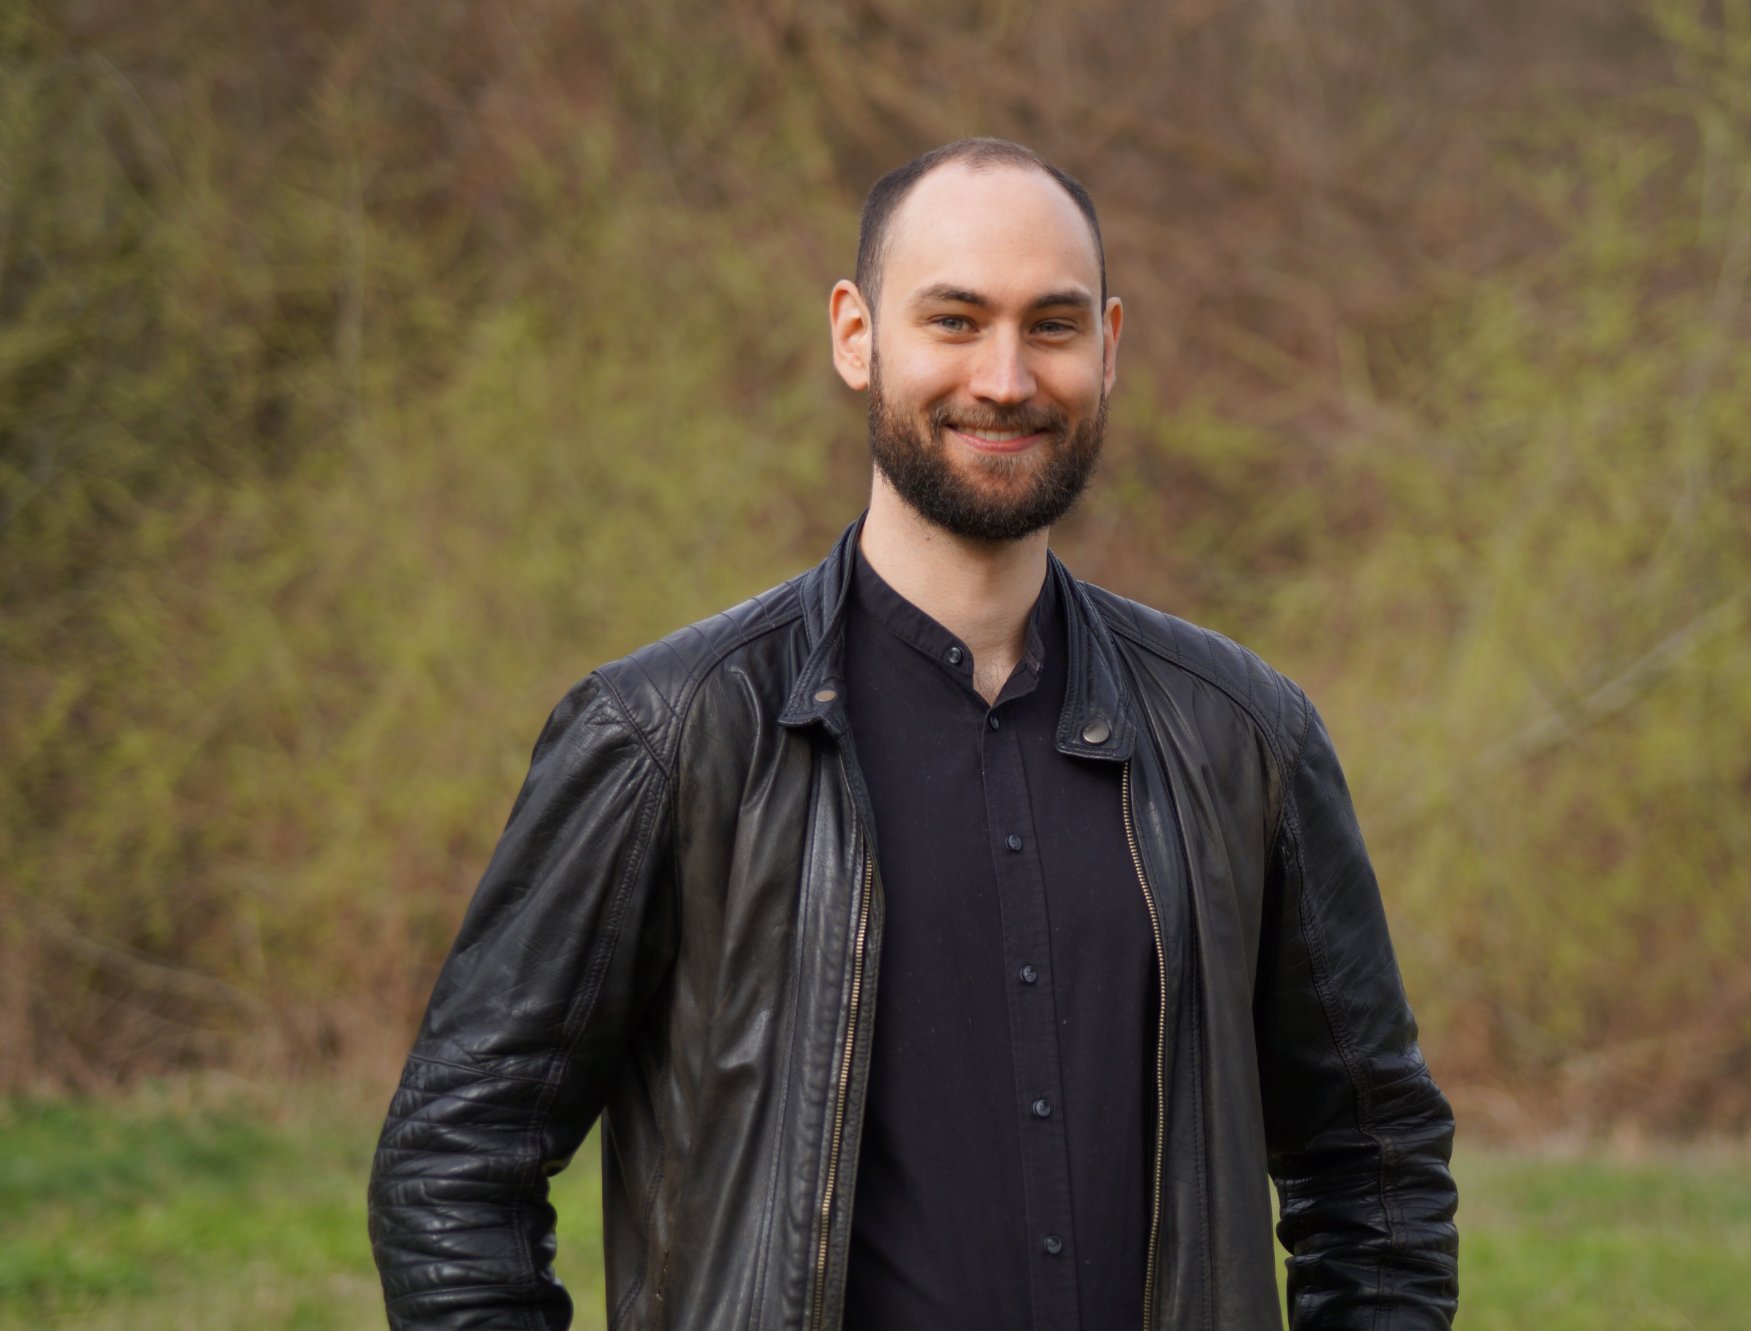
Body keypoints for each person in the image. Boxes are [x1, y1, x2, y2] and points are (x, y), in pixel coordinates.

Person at [367, 137, 1458, 1331]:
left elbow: (1375, 1171)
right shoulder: (667, 736)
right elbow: (454, 1164)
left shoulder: (1246, 740)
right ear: (855, 334)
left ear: (1107, 348)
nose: (1005, 377)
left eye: (1051, 326)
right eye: (954, 320)